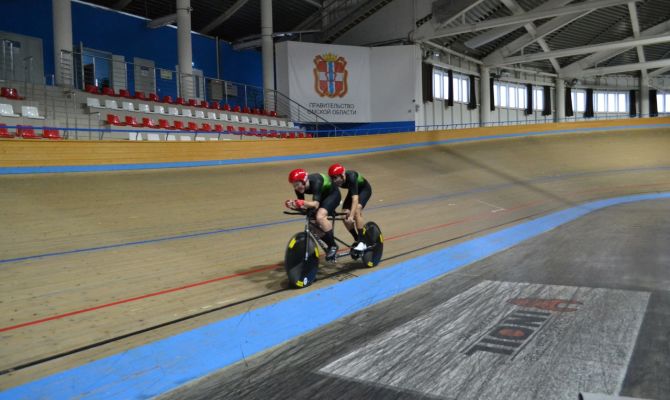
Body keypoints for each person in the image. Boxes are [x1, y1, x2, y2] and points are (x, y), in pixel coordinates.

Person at [286, 168, 341, 261]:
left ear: (304, 181)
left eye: (297, 185)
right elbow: (303, 207)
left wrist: (300, 202)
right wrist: (294, 205)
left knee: (320, 216)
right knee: (312, 224)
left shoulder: (316, 181)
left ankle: (333, 246)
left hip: (333, 195)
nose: (296, 188)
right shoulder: (298, 188)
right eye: (293, 185)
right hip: (321, 196)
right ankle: (330, 242)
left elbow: (315, 204)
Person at [328, 163, 371, 252]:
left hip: (364, 190)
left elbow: (355, 199)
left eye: (336, 178)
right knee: (344, 215)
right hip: (353, 191)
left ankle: (362, 242)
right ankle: (357, 238)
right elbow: (333, 196)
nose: (334, 181)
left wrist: (351, 216)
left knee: (356, 211)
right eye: (332, 178)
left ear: (342, 175)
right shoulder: (335, 181)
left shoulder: (351, 176)